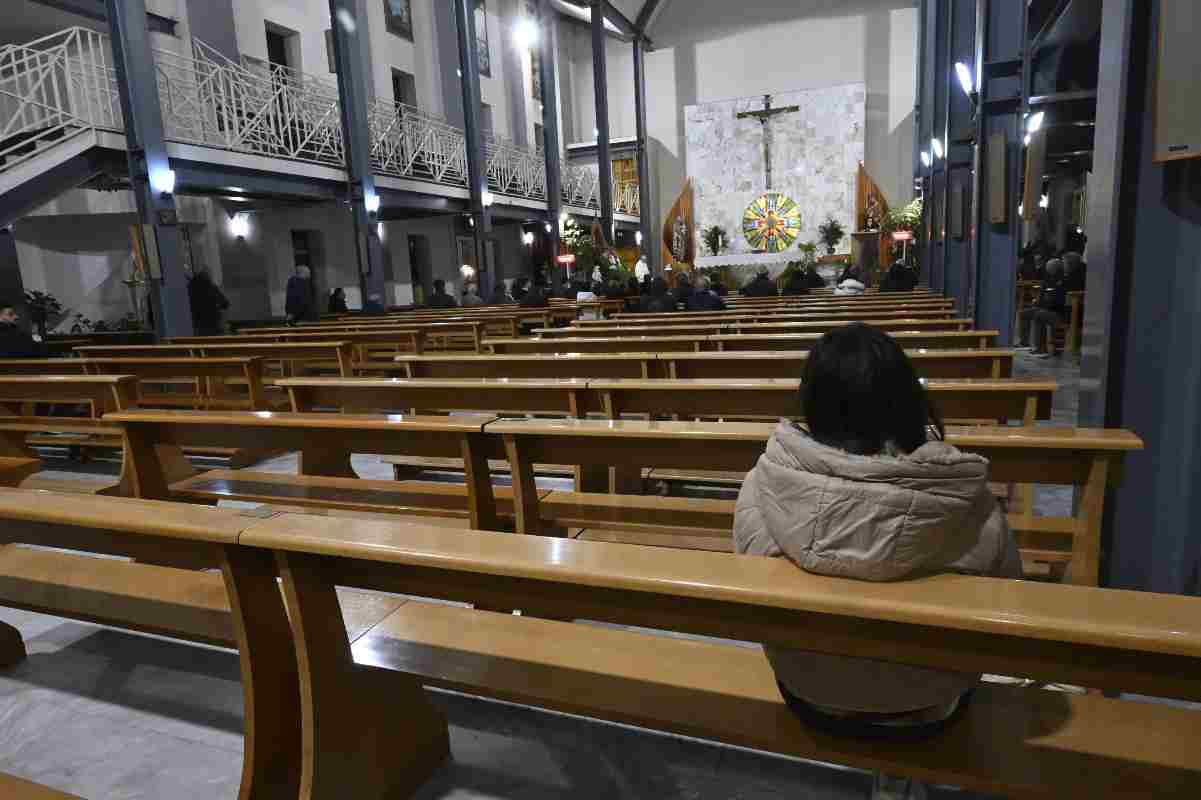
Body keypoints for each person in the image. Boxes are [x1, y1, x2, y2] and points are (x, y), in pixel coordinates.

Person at [734, 324, 1021, 800]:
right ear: (907, 399)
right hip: (931, 702)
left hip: (807, 688)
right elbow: (1010, 601)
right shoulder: (967, 499)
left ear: (812, 402)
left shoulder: (762, 485)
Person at [1018, 258, 1066, 358]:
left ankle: (1041, 349)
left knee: (1039, 314)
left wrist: (1043, 304)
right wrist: (1038, 302)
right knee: (1024, 312)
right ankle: (1024, 342)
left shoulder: (1063, 281)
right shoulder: (1047, 279)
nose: (1048, 270)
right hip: (1045, 307)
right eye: (1048, 268)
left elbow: (1057, 301)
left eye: (1050, 268)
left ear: (1056, 269)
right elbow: (1043, 297)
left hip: (1058, 312)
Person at [187, 268, 230, 336]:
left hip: (197, 325)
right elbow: (225, 304)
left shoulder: (190, 290)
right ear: (208, 277)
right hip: (213, 323)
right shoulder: (212, 288)